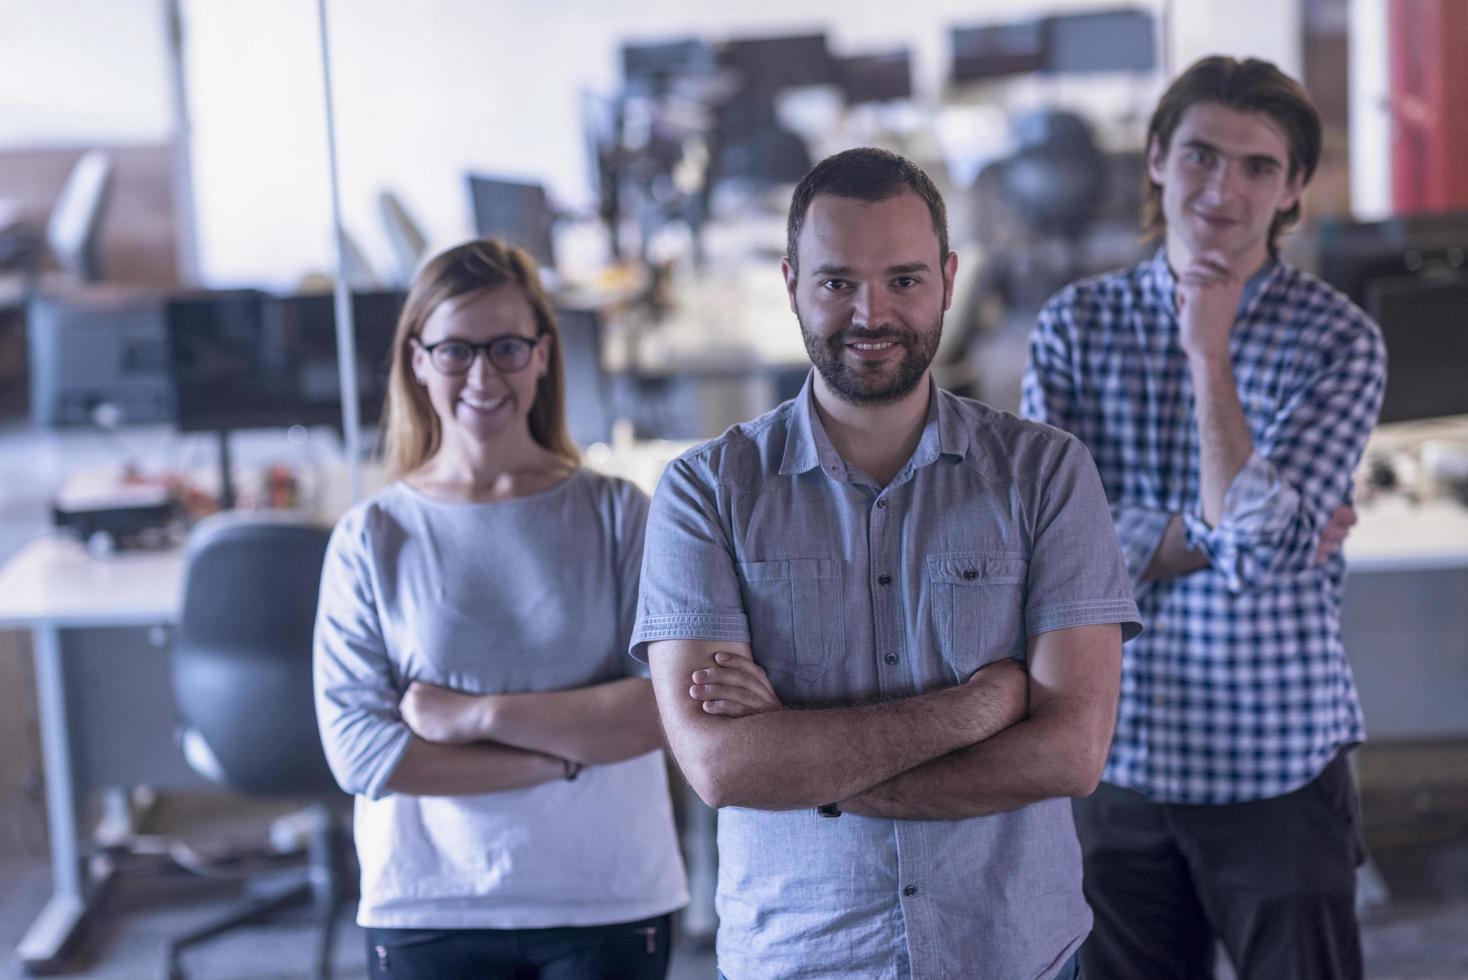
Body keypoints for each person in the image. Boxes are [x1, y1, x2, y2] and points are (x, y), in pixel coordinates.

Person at [632, 147, 1142, 980]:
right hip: (802, 959)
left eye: (903, 280)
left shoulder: (1047, 473)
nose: (872, 313)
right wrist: (982, 709)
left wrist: (805, 767)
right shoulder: (705, 492)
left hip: (1013, 955)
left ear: (946, 277)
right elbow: (723, 766)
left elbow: (1070, 755)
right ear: (792, 282)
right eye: (838, 283)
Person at [1022, 56, 1386, 980]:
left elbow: (1259, 557)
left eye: (1259, 165)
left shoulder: (1338, 339)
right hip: (1115, 752)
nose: (1224, 188)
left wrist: (1206, 353)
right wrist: (1229, 531)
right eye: (1200, 155)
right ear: (1155, 158)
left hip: (1274, 764)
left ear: (1294, 185)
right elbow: (1048, 553)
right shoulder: (1073, 326)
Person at [313, 239, 688, 979]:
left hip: (606, 896)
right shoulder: (372, 535)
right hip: (429, 903)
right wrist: (564, 755)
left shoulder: (620, 514)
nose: (483, 375)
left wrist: (475, 718)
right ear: (417, 359)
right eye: (455, 350)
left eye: (508, 347)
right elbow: (362, 752)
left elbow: (663, 711)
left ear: (543, 355)